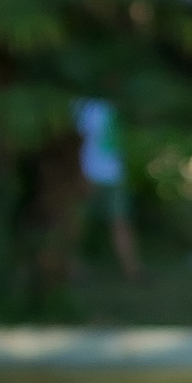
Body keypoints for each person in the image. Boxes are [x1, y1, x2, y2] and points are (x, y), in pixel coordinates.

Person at [73, 93, 140, 280]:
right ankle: (73, 267)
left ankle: (132, 269)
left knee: (121, 221)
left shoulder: (112, 107)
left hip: (114, 175)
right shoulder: (81, 106)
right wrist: (79, 173)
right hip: (90, 174)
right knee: (77, 223)